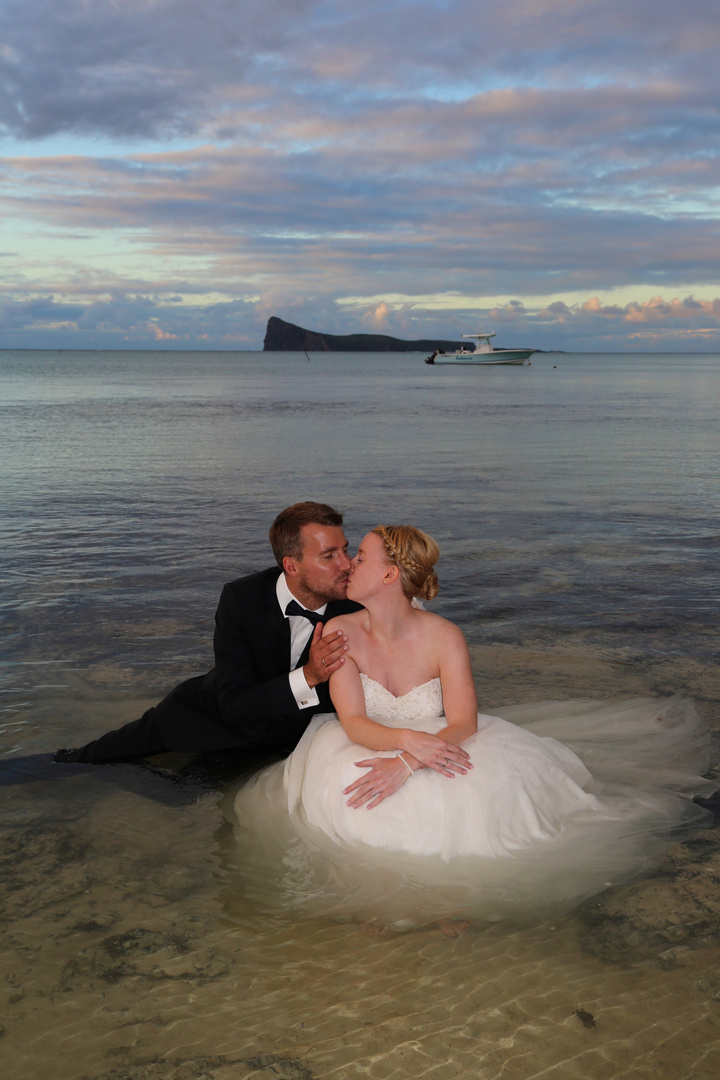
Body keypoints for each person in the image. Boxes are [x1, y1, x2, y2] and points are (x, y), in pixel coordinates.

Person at [231, 525, 716, 924]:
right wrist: (406, 746)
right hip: (369, 739)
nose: (349, 565)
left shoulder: (445, 636)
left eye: (359, 556)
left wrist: (408, 762)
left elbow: (463, 722)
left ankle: (451, 910)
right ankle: (389, 912)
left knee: (495, 812)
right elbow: (354, 722)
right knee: (359, 804)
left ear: (389, 574)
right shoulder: (338, 632)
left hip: (443, 736)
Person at [54, 502, 362, 763]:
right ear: (291, 566)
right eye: (329, 555)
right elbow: (233, 706)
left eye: (345, 550)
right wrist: (308, 676)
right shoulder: (242, 599)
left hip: (290, 746)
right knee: (83, 762)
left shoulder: (357, 606)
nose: (347, 565)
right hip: (206, 721)